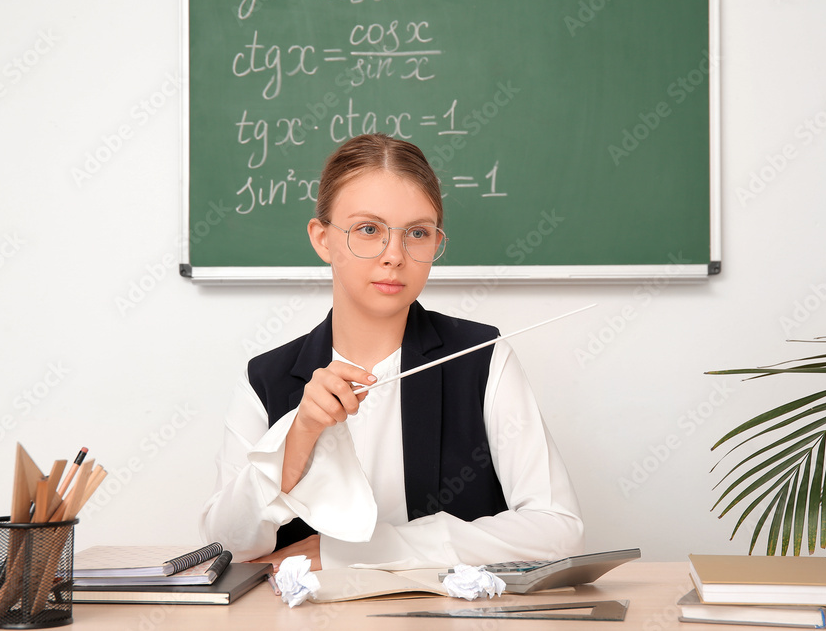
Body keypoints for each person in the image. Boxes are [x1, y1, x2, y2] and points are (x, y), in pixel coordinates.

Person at [199, 133, 584, 571]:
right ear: (322, 239)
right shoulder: (265, 380)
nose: (394, 255)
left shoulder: (482, 359)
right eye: (369, 230)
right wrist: (299, 434)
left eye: (417, 233)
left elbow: (559, 529)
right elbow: (227, 547)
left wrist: (364, 553)